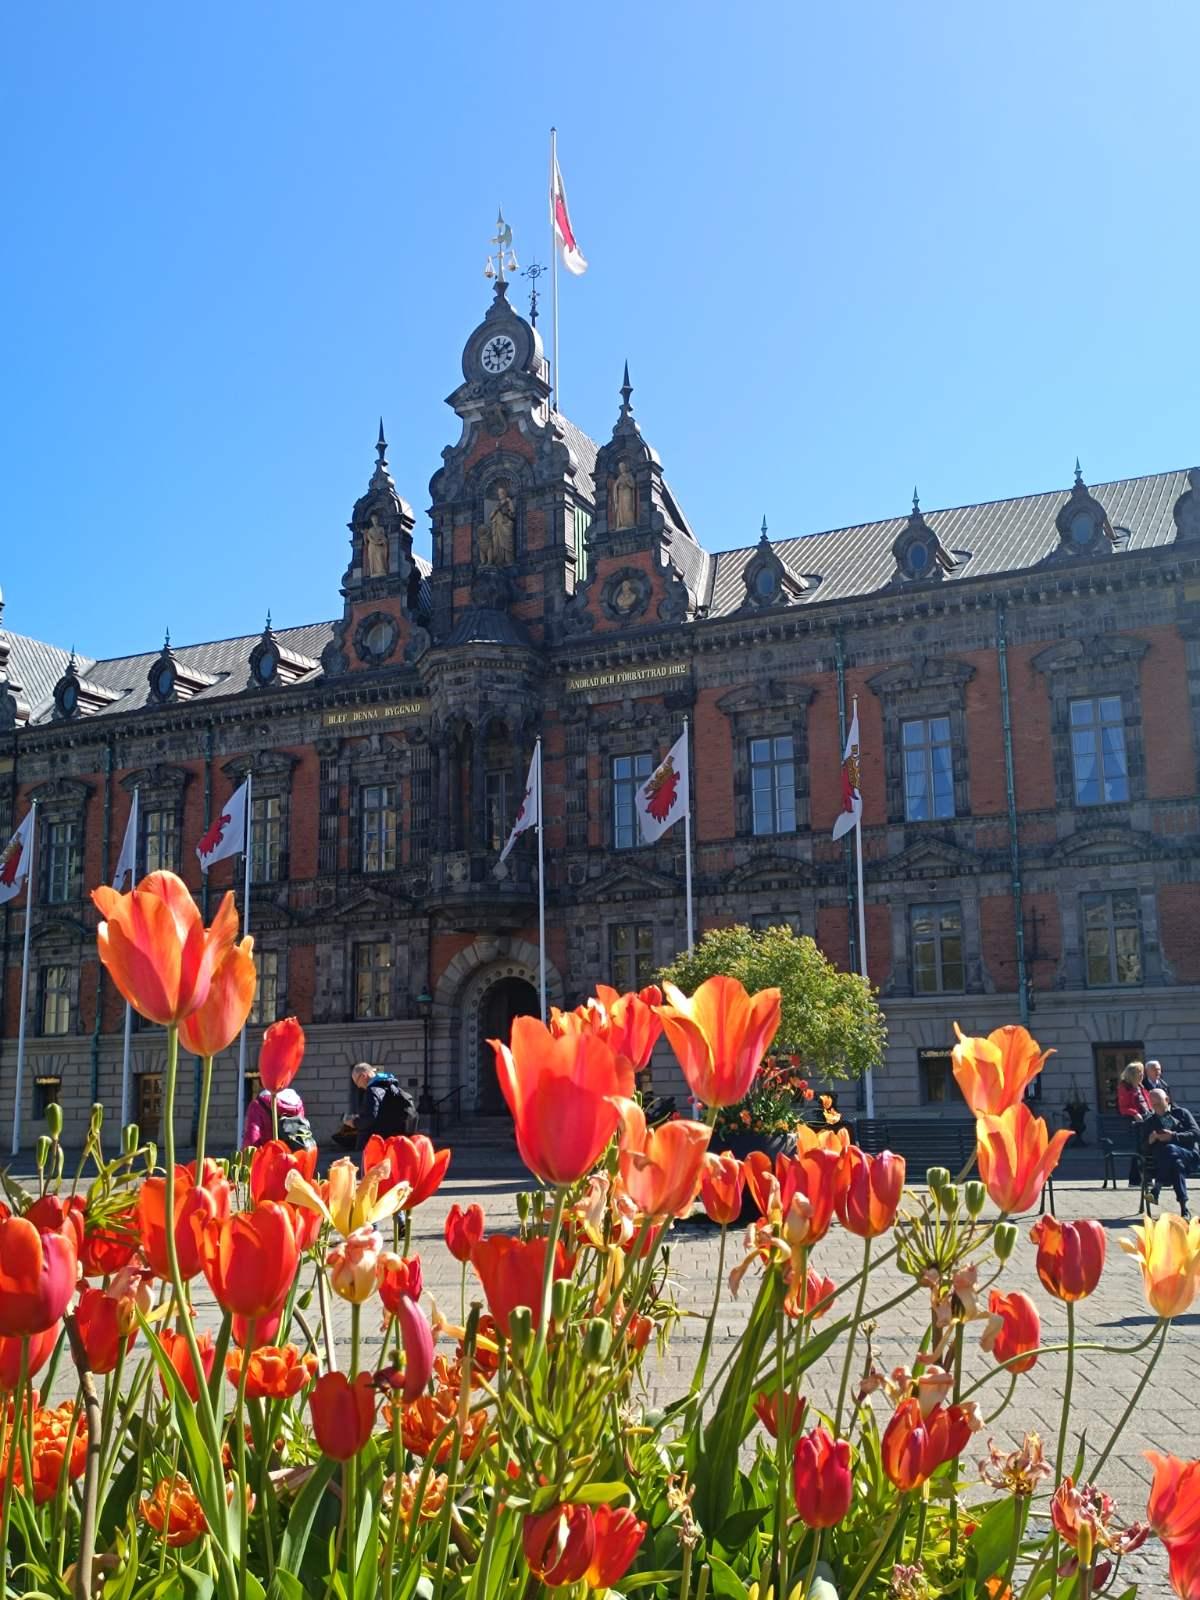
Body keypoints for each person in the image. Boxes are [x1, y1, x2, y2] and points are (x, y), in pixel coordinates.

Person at [1140, 1087, 1200, 1218]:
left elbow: (1196, 1134)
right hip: (1166, 1163)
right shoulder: (1150, 1121)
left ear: (1167, 1100)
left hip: (1188, 1156)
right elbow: (1142, 1149)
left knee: (1170, 1149)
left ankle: (1157, 1188)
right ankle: (1184, 1209)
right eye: (1153, 1105)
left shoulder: (1181, 1113)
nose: (1156, 1108)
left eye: (1159, 1104)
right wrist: (1150, 1141)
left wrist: (1173, 1136)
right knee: (1176, 1164)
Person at [346, 1061, 418, 1152]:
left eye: (357, 1082)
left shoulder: (372, 1091)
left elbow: (369, 1118)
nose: (359, 1086)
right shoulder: (391, 1087)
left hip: (379, 1144)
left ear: (364, 1076)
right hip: (395, 1140)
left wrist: (354, 1122)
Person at [242, 1083, 314, 1152]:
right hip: (295, 1155)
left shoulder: (257, 1105)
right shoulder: (297, 1103)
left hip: (270, 1156)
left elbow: (251, 1139)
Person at [1117, 1061, 1151, 1187]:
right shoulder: (1124, 1087)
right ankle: (1135, 1180)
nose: (1142, 1075)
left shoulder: (1141, 1087)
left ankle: (1148, 1178)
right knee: (1139, 1150)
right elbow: (1123, 1107)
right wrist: (1135, 1113)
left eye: (1142, 1072)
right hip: (1134, 1123)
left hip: (1146, 1120)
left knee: (1149, 1148)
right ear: (1131, 1074)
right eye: (1139, 1072)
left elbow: (1147, 1103)